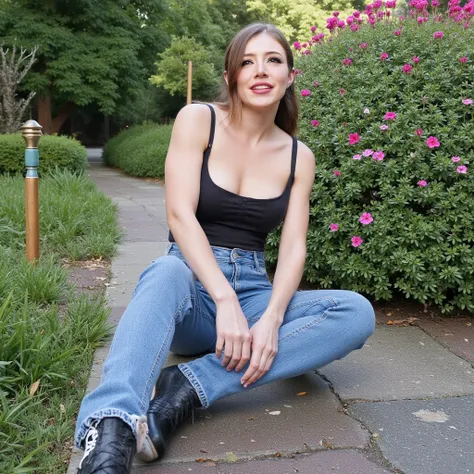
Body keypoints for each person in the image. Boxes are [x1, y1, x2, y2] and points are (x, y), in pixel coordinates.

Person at [74, 23, 375, 474]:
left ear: (290, 76)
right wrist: (222, 296)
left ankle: (187, 387)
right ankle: (110, 432)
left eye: (273, 60)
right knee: (165, 271)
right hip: (192, 291)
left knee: (354, 312)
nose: (260, 70)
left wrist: (271, 318)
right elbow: (179, 215)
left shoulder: (299, 157)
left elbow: (293, 248)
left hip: (254, 291)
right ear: (232, 74)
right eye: (247, 61)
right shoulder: (199, 120)